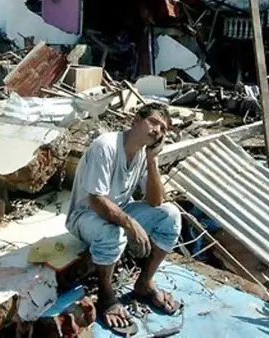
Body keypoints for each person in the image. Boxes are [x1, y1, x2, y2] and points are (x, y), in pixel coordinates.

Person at [65, 103, 182, 335]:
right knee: (113, 232)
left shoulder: (141, 153)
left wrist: (152, 159)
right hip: (84, 216)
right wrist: (129, 224)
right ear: (136, 119)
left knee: (171, 215)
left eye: (163, 128)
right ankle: (107, 297)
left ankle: (144, 283)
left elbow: (156, 201)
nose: (158, 130)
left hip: (119, 209)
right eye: (154, 122)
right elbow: (96, 200)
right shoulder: (106, 146)